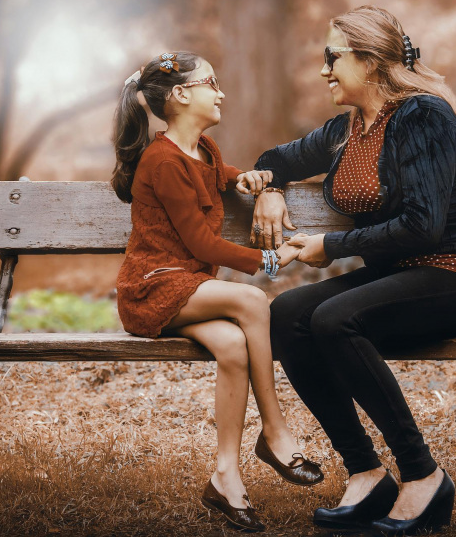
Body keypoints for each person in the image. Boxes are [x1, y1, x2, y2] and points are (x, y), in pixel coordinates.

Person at [237, 6, 456, 536]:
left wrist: (331, 244)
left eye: (332, 58)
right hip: (402, 275)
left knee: (336, 319)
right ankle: (365, 470)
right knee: (288, 313)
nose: (324, 71)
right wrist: (269, 189)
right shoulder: (347, 129)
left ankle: (423, 475)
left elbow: (423, 227)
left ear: (370, 60)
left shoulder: (423, 116)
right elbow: (277, 156)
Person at [111, 51, 323, 533]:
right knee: (251, 300)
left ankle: (225, 477)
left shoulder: (203, 150)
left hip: (188, 286)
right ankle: (275, 432)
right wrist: (275, 258)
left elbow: (221, 178)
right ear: (182, 95)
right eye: (211, 82)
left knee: (231, 346)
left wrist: (253, 181)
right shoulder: (161, 160)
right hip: (152, 288)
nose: (220, 91)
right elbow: (202, 244)